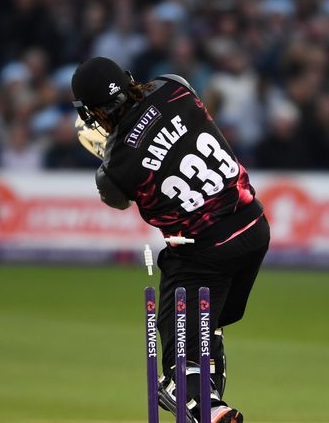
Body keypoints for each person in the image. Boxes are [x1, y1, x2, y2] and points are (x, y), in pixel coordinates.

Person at [71, 57, 270, 423]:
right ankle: (207, 394)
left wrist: (106, 150)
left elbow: (118, 197)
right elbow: (164, 131)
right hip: (254, 227)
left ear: (94, 114)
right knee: (206, 333)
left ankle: (216, 412)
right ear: (128, 79)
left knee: (178, 380)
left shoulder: (115, 169)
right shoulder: (174, 85)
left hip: (203, 254)